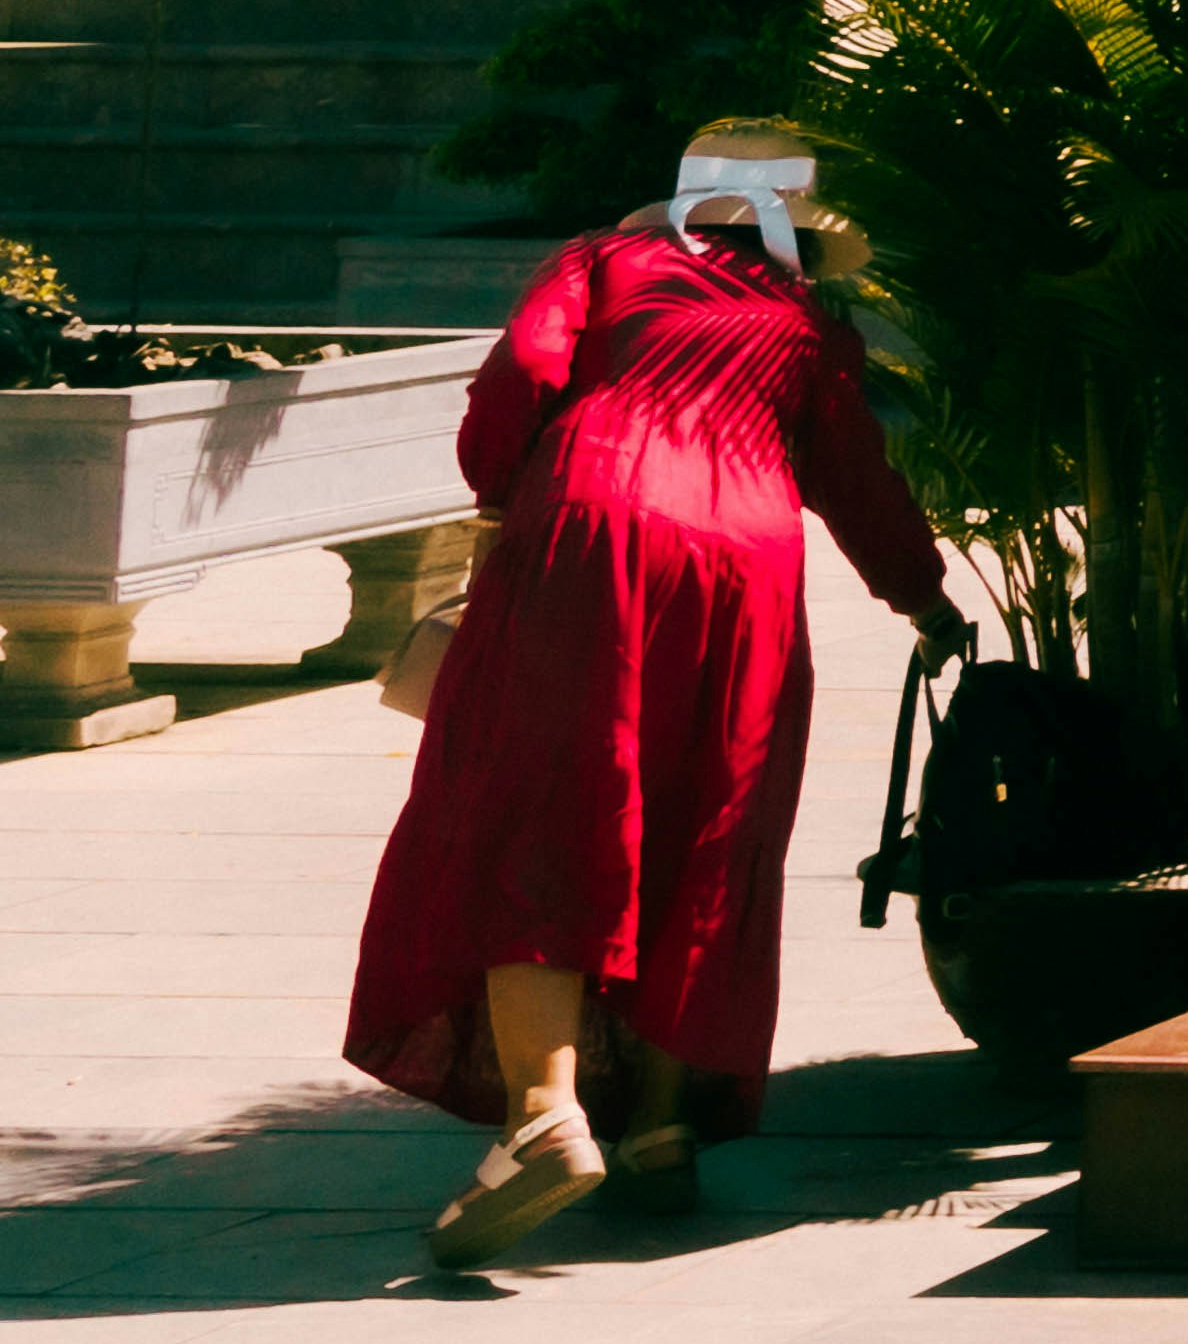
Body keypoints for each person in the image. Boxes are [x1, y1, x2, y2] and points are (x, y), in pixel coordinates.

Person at [345, 132, 961, 1269]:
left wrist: (501, 495)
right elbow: (857, 479)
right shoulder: (808, 322)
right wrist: (924, 602)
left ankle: (545, 1117)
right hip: (749, 566)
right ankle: (664, 1129)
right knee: (709, 823)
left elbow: (520, 380)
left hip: (590, 529)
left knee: (548, 810)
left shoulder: (600, 265)